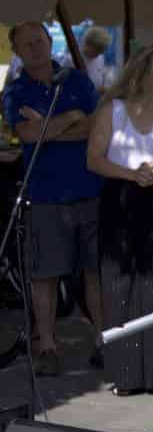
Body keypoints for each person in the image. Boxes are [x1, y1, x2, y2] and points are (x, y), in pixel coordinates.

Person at [1, 21, 103, 375]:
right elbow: (28, 135)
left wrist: (48, 125)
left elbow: (94, 126)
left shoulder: (78, 80)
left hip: (89, 189)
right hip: (45, 194)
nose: (34, 47)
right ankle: (47, 346)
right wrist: (70, 118)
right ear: (17, 51)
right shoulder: (15, 90)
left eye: (39, 40)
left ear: (49, 42)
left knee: (93, 271)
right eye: (26, 44)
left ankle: (103, 339)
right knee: (45, 274)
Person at [86, 40, 153, 396]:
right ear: (145, 72)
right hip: (120, 198)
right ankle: (125, 374)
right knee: (119, 284)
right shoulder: (112, 110)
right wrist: (131, 174)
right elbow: (94, 159)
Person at [80, 26, 113, 92]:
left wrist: (104, 86)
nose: (98, 54)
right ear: (88, 44)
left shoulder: (100, 58)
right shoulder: (72, 60)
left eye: (101, 51)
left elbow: (102, 75)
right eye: (97, 50)